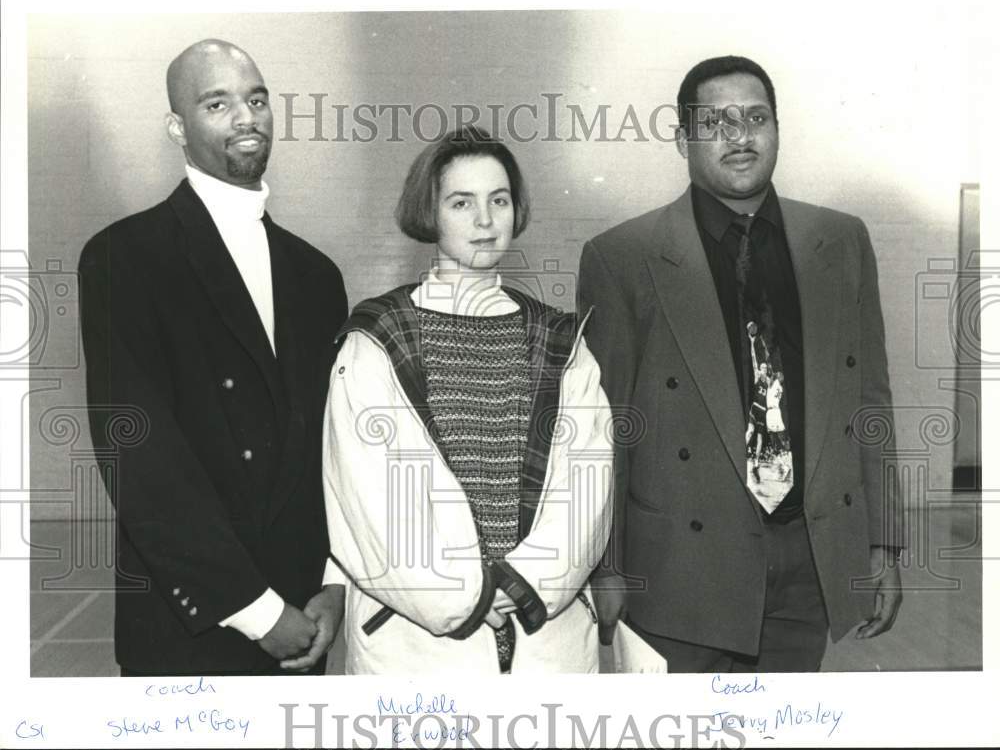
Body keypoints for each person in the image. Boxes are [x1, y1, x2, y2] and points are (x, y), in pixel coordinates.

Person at [578, 55, 904, 673]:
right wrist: (607, 565)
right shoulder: (624, 256)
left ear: (777, 129)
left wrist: (883, 542)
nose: (739, 134)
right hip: (680, 568)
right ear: (682, 139)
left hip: (808, 561)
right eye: (715, 121)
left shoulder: (840, 241)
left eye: (755, 117)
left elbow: (870, 401)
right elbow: (607, 429)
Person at [78, 39, 347, 675]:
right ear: (177, 127)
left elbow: (335, 452)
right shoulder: (125, 258)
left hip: (306, 620)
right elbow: (142, 460)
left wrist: (334, 585)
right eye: (217, 103)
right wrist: (256, 611)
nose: (246, 117)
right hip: (193, 629)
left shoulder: (317, 275)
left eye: (256, 100)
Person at [322, 126, 612, 674]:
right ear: (430, 213)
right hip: (418, 648)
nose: (485, 221)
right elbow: (367, 497)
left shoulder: (560, 339)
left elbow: (587, 481)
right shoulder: (377, 338)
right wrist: (465, 596)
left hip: (545, 640)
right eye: (462, 203)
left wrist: (524, 583)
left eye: (498, 200)